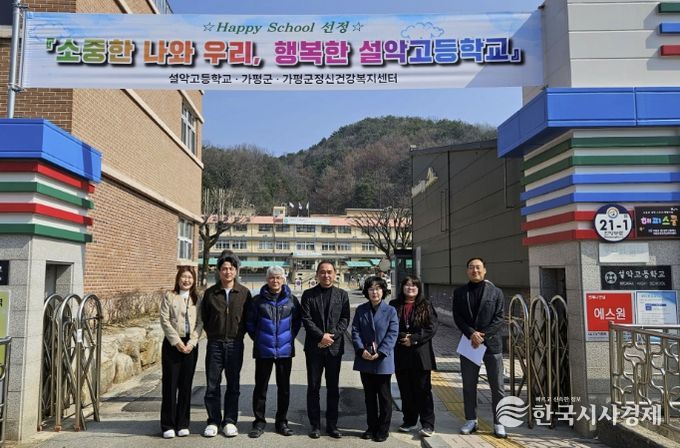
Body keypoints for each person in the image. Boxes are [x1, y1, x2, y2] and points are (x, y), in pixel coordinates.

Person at [452, 257, 507, 439]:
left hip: (492, 345)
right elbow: (458, 317)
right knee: (469, 385)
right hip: (469, 343)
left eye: (478, 267)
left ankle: (499, 422)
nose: (474, 270)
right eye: (471, 267)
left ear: (484, 270)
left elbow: (499, 318)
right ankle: (471, 419)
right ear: (467, 270)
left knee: (497, 386)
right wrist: (471, 334)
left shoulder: (496, 292)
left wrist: (482, 336)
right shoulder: (460, 292)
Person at [200, 251, 252, 438]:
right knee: (212, 384)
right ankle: (213, 421)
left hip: (235, 344)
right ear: (219, 271)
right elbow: (204, 318)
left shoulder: (244, 293)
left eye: (231, 268)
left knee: (233, 385)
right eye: (224, 269)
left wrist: (239, 333)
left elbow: (248, 319)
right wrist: (214, 333)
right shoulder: (210, 293)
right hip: (215, 344)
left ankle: (229, 421)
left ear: (236, 271)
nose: (228, 272)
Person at [246, 266, 302, 438]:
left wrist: (288, 338)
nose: (275, 281)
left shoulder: (292, 300)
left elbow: (297, 322)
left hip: (285, 351)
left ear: (283, 279)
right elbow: (250, 323)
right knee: (260, 388)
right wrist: (260, 339)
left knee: (284, 388)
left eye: (278, 277)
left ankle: (281, 422)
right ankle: (259, 422)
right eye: (272, 277)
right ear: (267, 279)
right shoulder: (257, 301)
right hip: (263, 351)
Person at [300, 260, 350, 439]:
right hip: (314, 348)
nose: (326, 275)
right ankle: (315, 425)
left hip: (334, 349)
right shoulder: (308, 295)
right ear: (317, 274)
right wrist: (321, 336)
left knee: (333, 388)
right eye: (322, 272)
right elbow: (306, 319)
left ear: (335, 274)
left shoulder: (342, 295)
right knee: (313, 387)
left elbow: (345, 319)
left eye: (329, 272)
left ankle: (332, 425)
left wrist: (331, 337)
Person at [389, 275, 438, 437]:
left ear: (419, 288)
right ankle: (409, 420)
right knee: (405, 389)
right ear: (402, 287)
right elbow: (389, 326)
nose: (410, 288)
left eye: (414, 285)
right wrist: (404, 337)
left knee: (423, 390)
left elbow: (431, 328)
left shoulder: (426, 305)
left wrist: (414, 339)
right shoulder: (394, 305)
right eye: (407, 285)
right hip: (401, 352)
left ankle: (428, 424)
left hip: (420, 354)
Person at [351, 275, 399, 443]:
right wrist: (360, 350)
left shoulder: (390, 311)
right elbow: (355, 331)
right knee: (369, 396)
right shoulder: (361, 309)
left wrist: (382, 352)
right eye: (371, 289)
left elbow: (393, 334)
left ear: (383, 291)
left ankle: (383, 429)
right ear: (367, 292)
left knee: (384, 397)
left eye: (378, 289)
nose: (374, 292)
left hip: (382, 359)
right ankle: (371, 427)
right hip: (364, 358)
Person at [159, 265, 203, 439]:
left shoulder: (197, 298)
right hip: (172, 345)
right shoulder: (169, 296)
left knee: (185, 386)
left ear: (194, 280)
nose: (187, 280)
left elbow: (200, 323)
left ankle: (183, 423)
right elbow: (164, 320)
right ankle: (168, 424)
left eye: (190, 277)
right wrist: (177, 342)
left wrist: (192, 343)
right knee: (170, 385)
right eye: (184, 277)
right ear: (178, 279)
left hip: (190, 345)